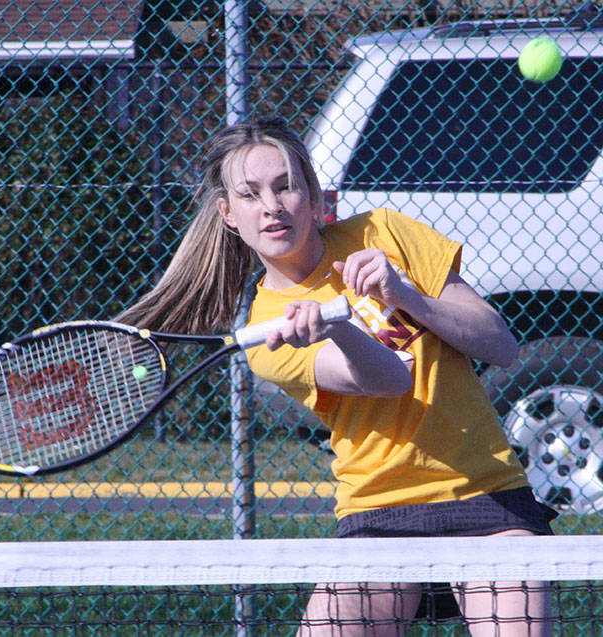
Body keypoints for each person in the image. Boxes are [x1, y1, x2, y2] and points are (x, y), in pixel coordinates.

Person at [119, 115, 555, 635]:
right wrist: (338, 328)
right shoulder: (267, 333)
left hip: (488, 498)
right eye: (251, 194)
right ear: (228, 214)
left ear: (314, 195)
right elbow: (390, 380)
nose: (273, 206)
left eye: (286, 187)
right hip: (378, 512)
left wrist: (405, 295)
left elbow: (500, 344)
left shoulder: (383, 233)